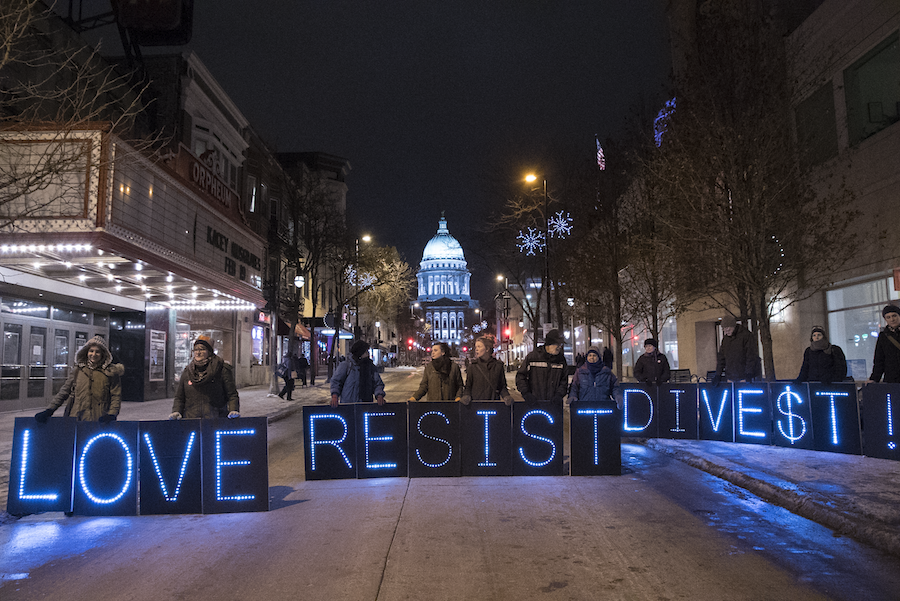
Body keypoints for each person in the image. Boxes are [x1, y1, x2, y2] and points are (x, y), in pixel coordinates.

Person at [35, 335, 124, 423]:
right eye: (91, 351)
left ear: (103, 354)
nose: (94, 354)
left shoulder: (111, 372)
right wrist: (50, 410)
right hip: (77, 418)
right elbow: (64, 391)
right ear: (86, 352)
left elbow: (116, 396)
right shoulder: (78, 370)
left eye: (97, 352)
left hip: (100, 419)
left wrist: (112, 414)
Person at [169, 335, 240, 419]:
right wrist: (176, 411)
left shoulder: (221, 369)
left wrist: (233, 410)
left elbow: (232, 394)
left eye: (202, 349)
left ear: (209, 352)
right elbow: (179, 397)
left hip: (215, 418)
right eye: (195, 350)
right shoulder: (188, 371)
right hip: (191, 419)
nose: (198, 352)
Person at [515, 328, 568, 404]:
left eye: (561, 344)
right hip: (534, 403)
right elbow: (520, 376)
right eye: (558, 344)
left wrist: (559, 395)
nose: (560, 347)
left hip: (554, 405)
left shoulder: (561, 360)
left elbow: (564, 381)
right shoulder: (533, 357)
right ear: (549, 344)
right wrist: (526, 393)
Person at [330, 340, 385, 407]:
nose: (368, 354)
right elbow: (336, 381)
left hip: (366, 405)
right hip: (348, 405)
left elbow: (377, 383)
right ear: (360, 353)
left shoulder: (370, 367)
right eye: (365, 352)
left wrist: (379, 395)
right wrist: (335, 396)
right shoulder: (346, 365)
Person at [460, 336, 513, 405]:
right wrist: (466, 395)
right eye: (476, 347)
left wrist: (506, 396)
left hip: (493, 404)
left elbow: (502, 386)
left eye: (479, 346)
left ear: (487, 349)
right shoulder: (473, 366)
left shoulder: (498, 366)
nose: (476, 349)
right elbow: (468, 386)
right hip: (477, 405)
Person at [712, 315, 758, 385]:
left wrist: (749, 373)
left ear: (734, 326)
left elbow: (750, 356)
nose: (726, 330)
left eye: (728, 328)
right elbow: (721, 358)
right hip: (730, 376)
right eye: (724, 328)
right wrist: (718, 374)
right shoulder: (726, 340)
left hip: (743, 376)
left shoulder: (746, 336)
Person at [868, 305, 900, 384]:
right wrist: (874, 378)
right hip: (892, 379)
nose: (892, 319)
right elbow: (879, 359)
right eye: (888, 317)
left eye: (894, 316)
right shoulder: (883, 336)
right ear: (885, 319)